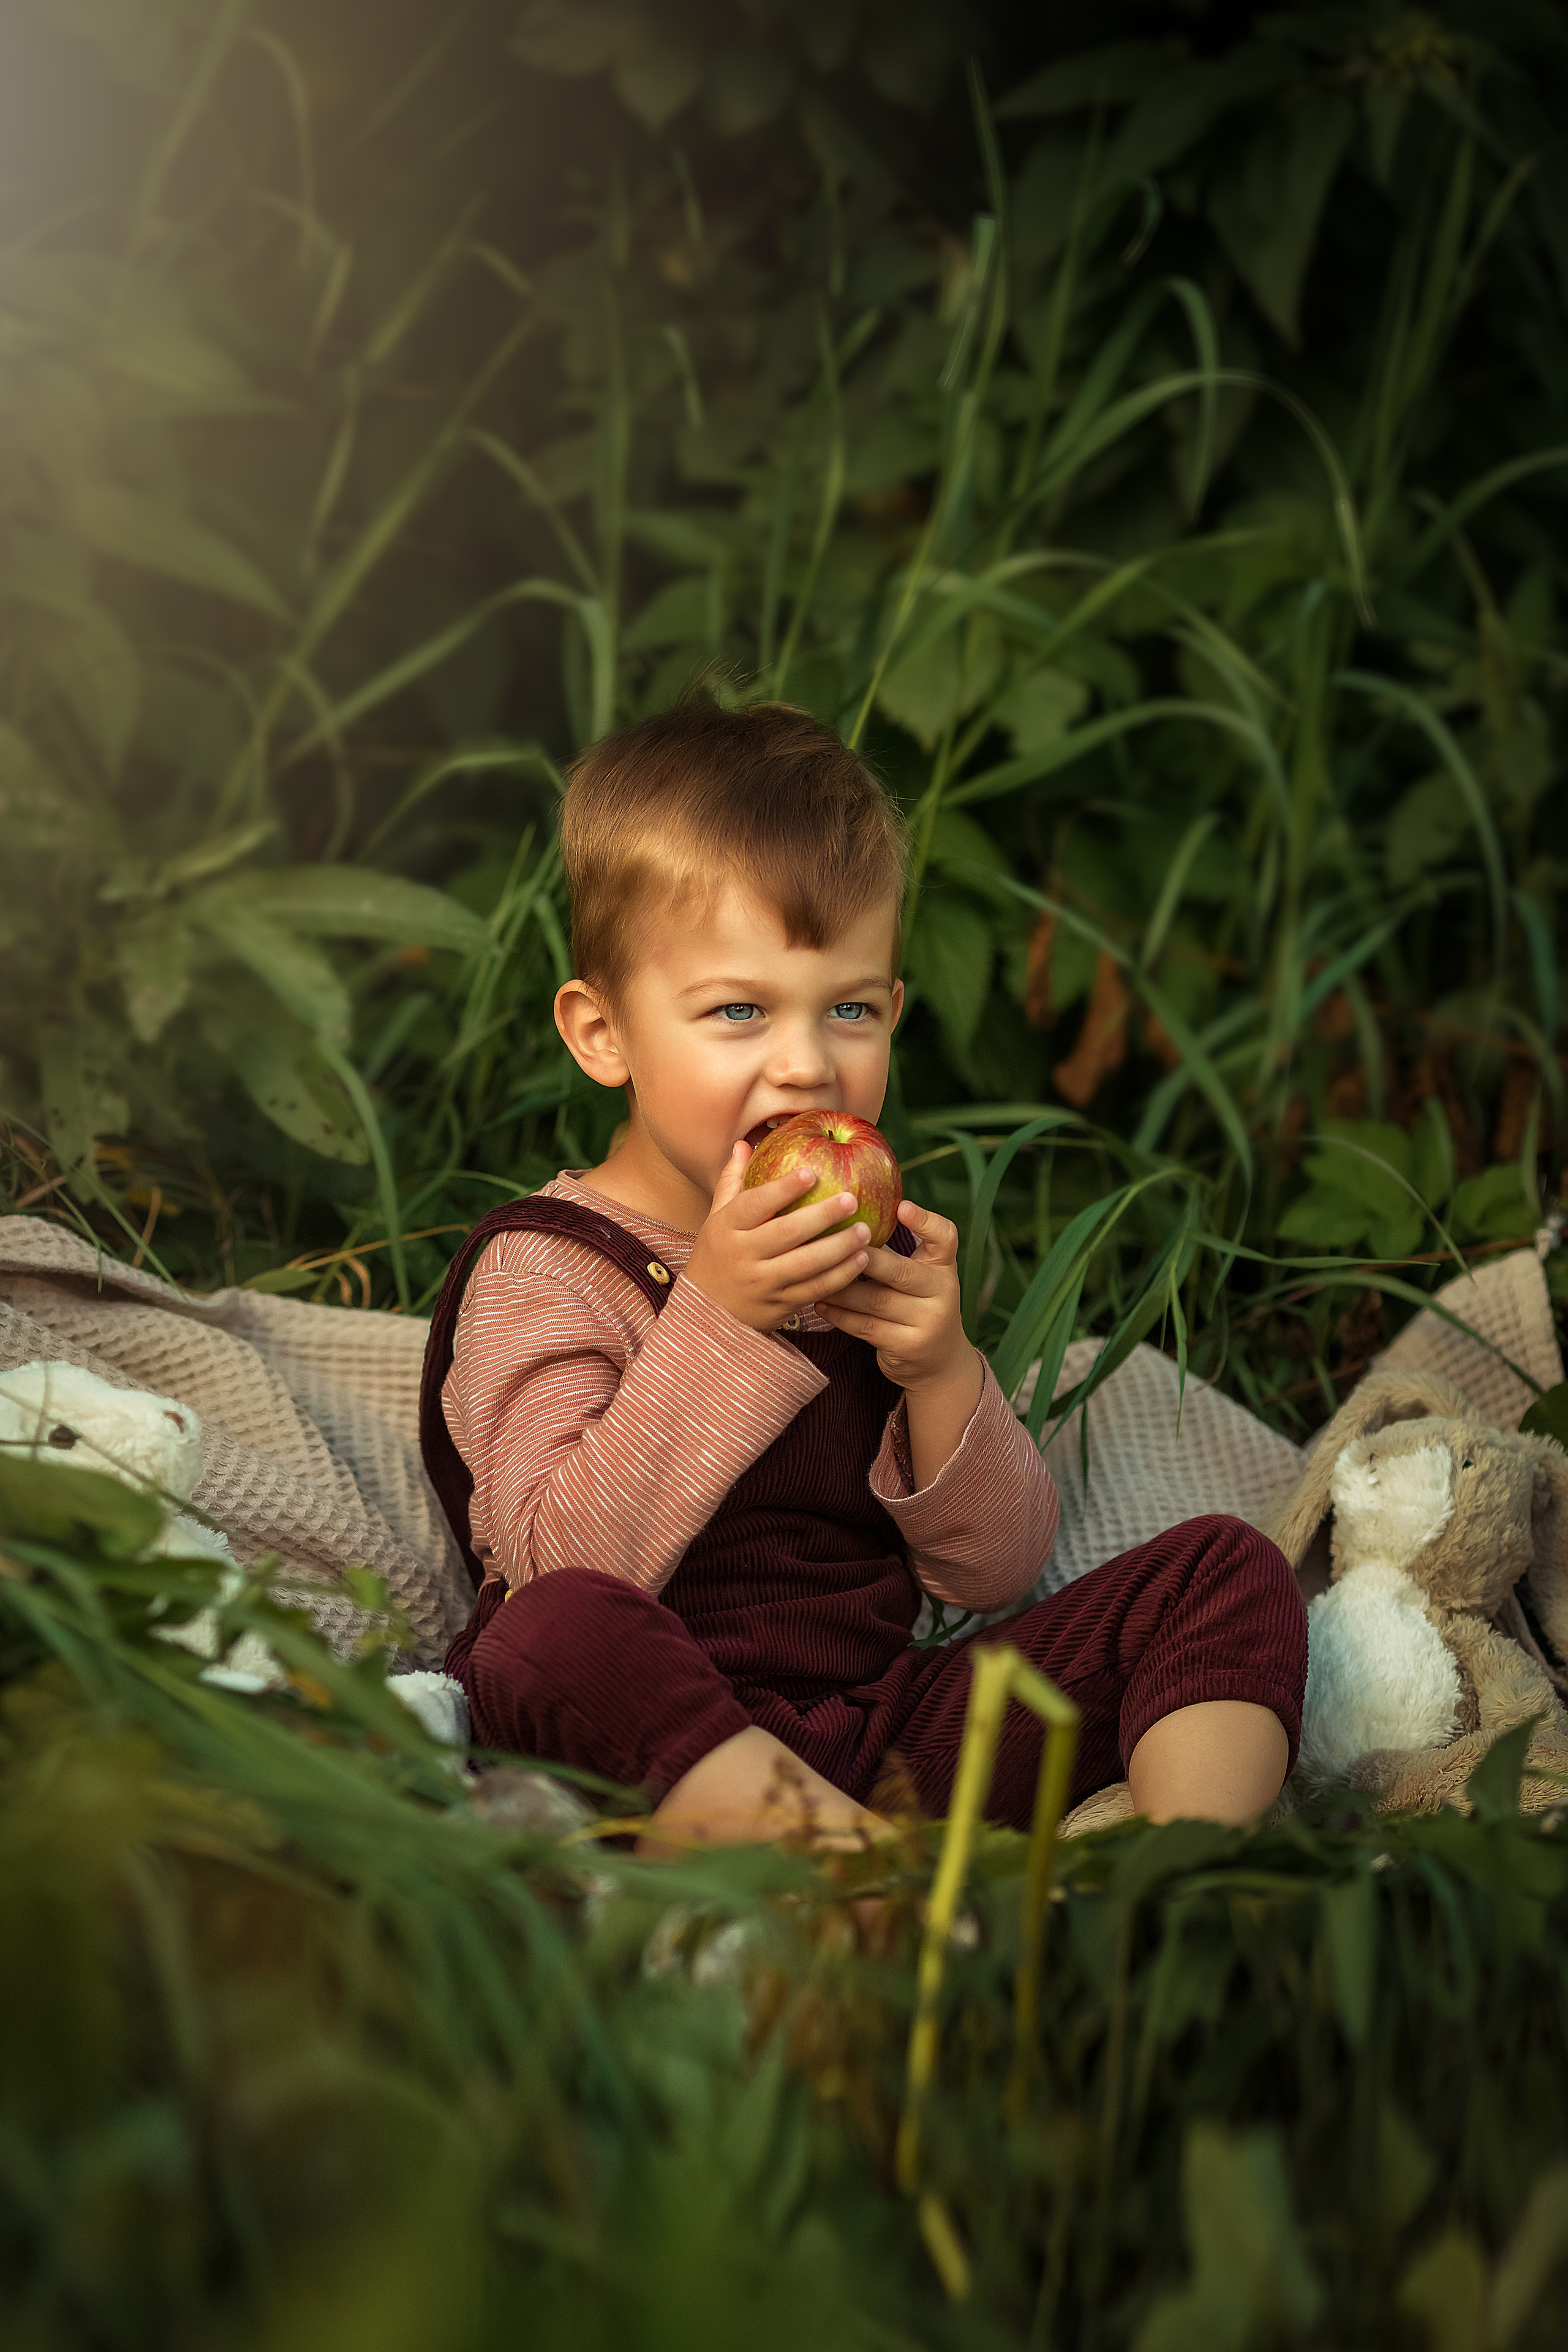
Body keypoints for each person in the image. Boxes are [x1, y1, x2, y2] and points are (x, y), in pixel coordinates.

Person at [421, 697, 1307, 1850]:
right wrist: (720, 1319)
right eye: (738, 1010)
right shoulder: (547, 1268)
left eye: (847, 1009)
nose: (806, 1064)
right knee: (547, 1637)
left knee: (1223, 1570)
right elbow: (559, 1562)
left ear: (891, 1009)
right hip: (641, 1738)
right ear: (604, 1035)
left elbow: (992, 1573)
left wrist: (940, 1371)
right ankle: (883, 1896)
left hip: (874, 1731)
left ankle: (1184, 1886)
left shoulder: (861, 1245)